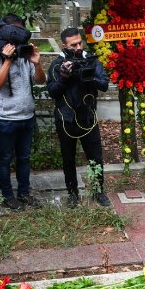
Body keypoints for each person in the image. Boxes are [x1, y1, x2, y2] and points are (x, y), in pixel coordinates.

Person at [0, 14, 46, 211]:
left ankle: (24, 193)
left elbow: (40, 81)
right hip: (5, 119)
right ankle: (7, 196)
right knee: (5, 159)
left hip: (27, 117)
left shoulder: (25, 55)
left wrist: (37, 63)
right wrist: (7, 61)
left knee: (24, 158)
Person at [47, 27, 111, 207]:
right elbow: (52, 92)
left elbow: (104, 84)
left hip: (88, 119)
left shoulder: (91, 60)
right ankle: (73, 194)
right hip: (65, 120)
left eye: (79, 42)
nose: (78, 47)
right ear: (64, 45)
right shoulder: (57, 65)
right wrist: (64, 77)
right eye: (73, 44)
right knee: (68, 159)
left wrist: (89, 78)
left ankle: (99, 191)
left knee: (96, 157)